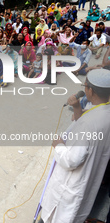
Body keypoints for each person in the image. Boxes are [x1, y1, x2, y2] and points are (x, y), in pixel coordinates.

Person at [40, 69, 110, 223]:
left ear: (90, 90)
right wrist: (78, 109)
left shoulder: (89, 123)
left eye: (85, 86)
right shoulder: (104, 110)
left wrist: (58, 146)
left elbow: (72, 160)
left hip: (71, 185)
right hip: (88, 178)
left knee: (59, 217)